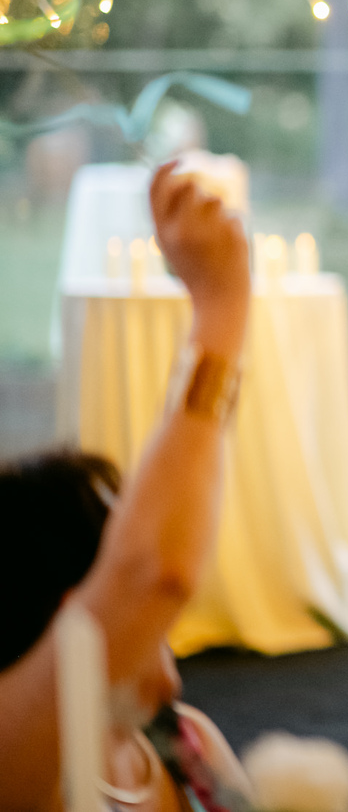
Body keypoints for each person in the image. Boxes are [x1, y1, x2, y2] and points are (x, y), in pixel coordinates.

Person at [0, 161, 252, 811]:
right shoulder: (17, 769)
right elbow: (152, 572)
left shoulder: (188, 746)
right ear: (73, 609)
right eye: (115, 547)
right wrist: (222, 308)